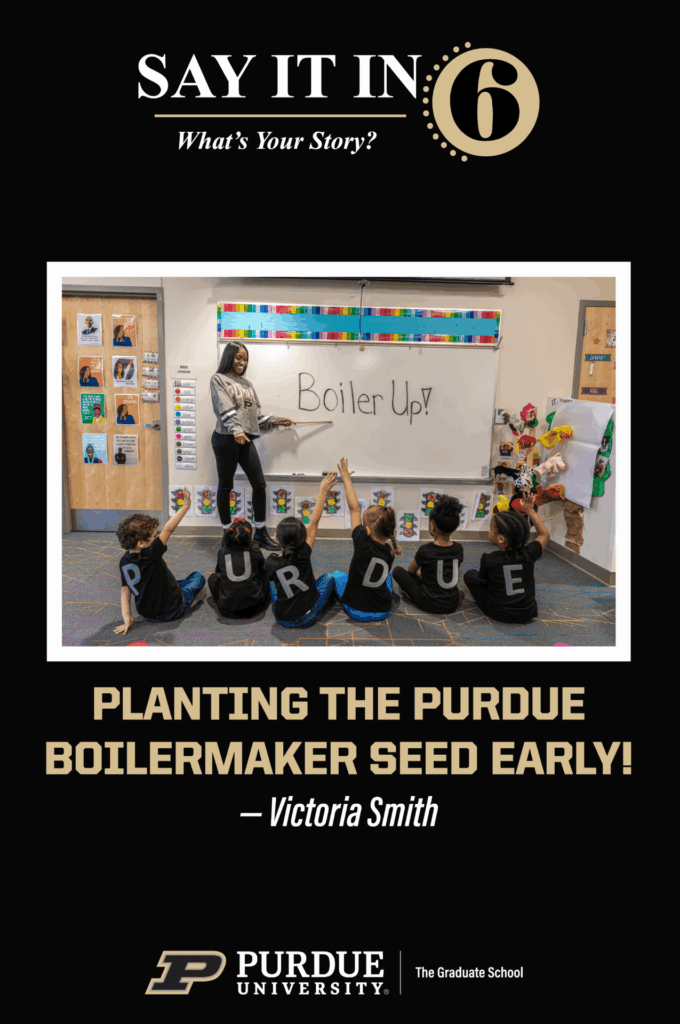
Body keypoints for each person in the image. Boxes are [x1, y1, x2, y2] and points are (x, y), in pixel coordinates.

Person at [210, 341, 293, 550]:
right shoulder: (218, 379)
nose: (242, 361)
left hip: (244, 439)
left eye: (245, 358)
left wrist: (275, 420)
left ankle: (260, 534)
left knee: (259, 484)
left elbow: (254, 417)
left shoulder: (247, 384)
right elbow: (224, 407)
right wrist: (236, 429)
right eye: (238, 357)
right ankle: (228, 533)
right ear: (229, 357)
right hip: (226, 438)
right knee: (225, 486)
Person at [115, 488, 205, 633]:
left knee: (178, 582)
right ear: (141, 544)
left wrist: (127, 616)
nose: (157, 537)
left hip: (147, 615)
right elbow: (168, 529)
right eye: (154, 535)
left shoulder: (124, 561)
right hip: (172, 610)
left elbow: (125, 590)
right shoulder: (150, 553)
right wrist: (185, 507)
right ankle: (192, 601)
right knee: (197, 577)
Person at [266, 472, 337, 628]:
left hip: (281, 617)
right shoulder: (304, 552)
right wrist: (323, 491)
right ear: (303, 538)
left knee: (272, 581)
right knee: (330, 577)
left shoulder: (270, 561)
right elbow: (314, 522)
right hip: (306, 618)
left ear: (276, 537)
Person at [463, 495, 549, 623]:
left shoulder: (489, 559)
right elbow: (544, 534)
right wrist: (530, 510)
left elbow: (483, 581)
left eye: (491, 529)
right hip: (527, 613)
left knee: (470, 575)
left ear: (501, 539)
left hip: (498, 613)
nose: (488, 532)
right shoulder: (530, 552)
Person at [331, 458, 398, 622]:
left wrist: (346, 478)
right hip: (383, 610)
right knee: (387, 577)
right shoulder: (391, 552)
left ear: (366, 530)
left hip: (356, 611)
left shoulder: (361, 541)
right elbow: (355, 510)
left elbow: (354, 508)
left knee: (337, 574)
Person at [392, 495, 464, 613]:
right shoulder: (459, 548)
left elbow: (411, 571)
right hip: (453, 603)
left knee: (398, 571)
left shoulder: (425, 550)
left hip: (429, 603)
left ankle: (408, 593)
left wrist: (421, 574)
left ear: (432, 525)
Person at [207, 518, 269, 618]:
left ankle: (223, 600)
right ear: (251, 539)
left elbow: (219, 575)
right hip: (255, 608)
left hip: (227, 610)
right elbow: (264, 569)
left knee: (212, 578)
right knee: (266, 574)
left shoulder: (222, 552)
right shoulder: (255, 551)